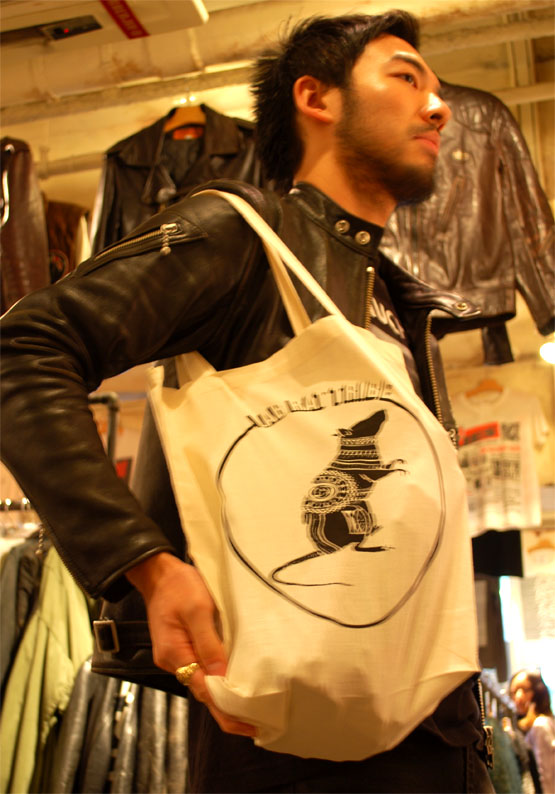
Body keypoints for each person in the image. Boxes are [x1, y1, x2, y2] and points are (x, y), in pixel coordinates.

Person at [0, 10, 495, 793]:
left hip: (437, 725)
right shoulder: (240, 237)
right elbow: (22, 351)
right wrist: (144, 565)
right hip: (289, 729)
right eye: (405, 78)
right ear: (315, 97)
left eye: (435, 90)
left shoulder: (402, 300)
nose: (437, 107)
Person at [510, 670, 555, 793]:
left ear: (538, 692)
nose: (518, 697)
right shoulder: (543, 722)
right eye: (514, 692)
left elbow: (547, 777)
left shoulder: (540, 725)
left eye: (524, 690)